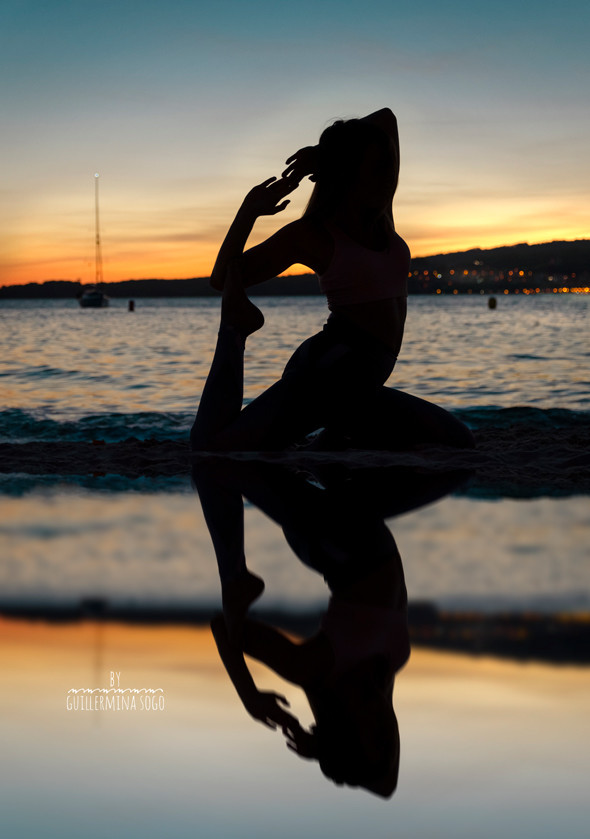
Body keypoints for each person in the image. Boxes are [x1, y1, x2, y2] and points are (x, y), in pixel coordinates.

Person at [190, 108, 474, 452]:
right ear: (348, 173)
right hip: (329, 374)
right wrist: (250, 210)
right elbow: (224, 279)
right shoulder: (314, 234)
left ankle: (338, 434)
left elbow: (386, 118)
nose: (389, 176)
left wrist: (322, 154)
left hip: (361, 381)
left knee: (458, 440)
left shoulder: (382, 215)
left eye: (387, 166)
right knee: (214, 447)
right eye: (376, 168)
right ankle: (234, 330)